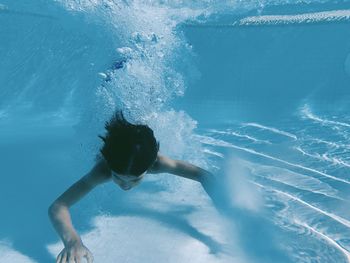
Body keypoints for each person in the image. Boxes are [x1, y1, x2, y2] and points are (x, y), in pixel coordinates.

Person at [48, 111, 215, 263]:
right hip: (117, 141)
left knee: (143, 114)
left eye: (135, 179)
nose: (126, 186)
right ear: (109, 168)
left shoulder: (157, 163)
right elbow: (58, 206)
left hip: (137, 138)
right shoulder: (102, 171)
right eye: (117, 177)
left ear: (149, 167)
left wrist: (230, 206)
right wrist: (73, 242)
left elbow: (203, 176)